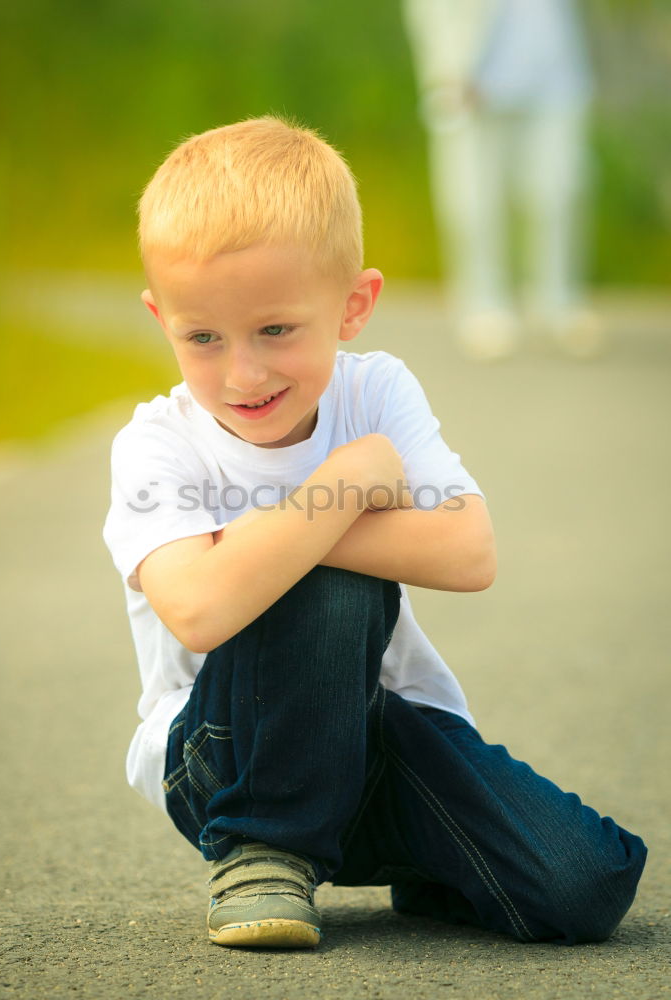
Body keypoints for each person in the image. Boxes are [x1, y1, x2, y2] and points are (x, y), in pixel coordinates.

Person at [103, 116, 645, 949]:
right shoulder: (157, 442)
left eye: (275, 330)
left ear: (354, 305)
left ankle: (426, 860)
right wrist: (349, 483)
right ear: (160, 317)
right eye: (202, 337)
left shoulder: (377, 392)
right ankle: (265, 847)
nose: (243, 374)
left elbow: (469, 553)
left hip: (378, 738)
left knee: (586, 886)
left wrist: (262, 537)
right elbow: (200, 610)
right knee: (325, 582)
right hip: (222, 755)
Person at [402, 0, 604, 360]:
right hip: (475, 70)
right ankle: (483, 304)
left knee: (558, 189)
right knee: (474, 200)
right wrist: (444, 70)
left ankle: (558, 300)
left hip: (556, 70)